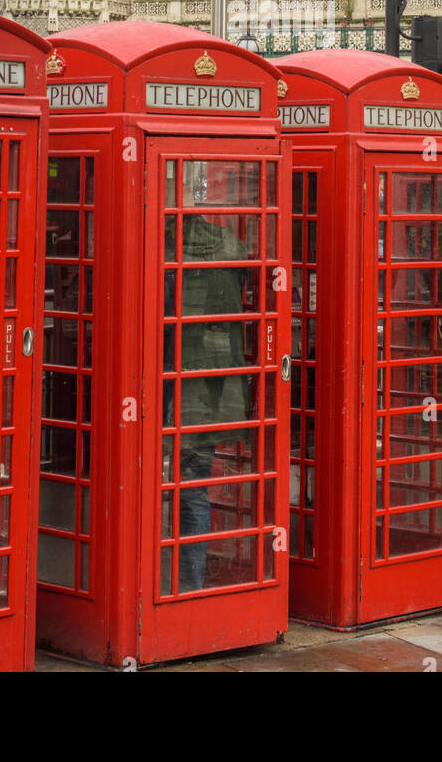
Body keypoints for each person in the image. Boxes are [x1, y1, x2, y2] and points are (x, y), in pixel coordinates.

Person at [164, 180, 248, 593]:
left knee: (154, 481)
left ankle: (158, 584)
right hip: (214, 385)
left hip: (165, 377)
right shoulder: (230, 244)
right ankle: (190, 587)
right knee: (193, 485)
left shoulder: (159, 248)